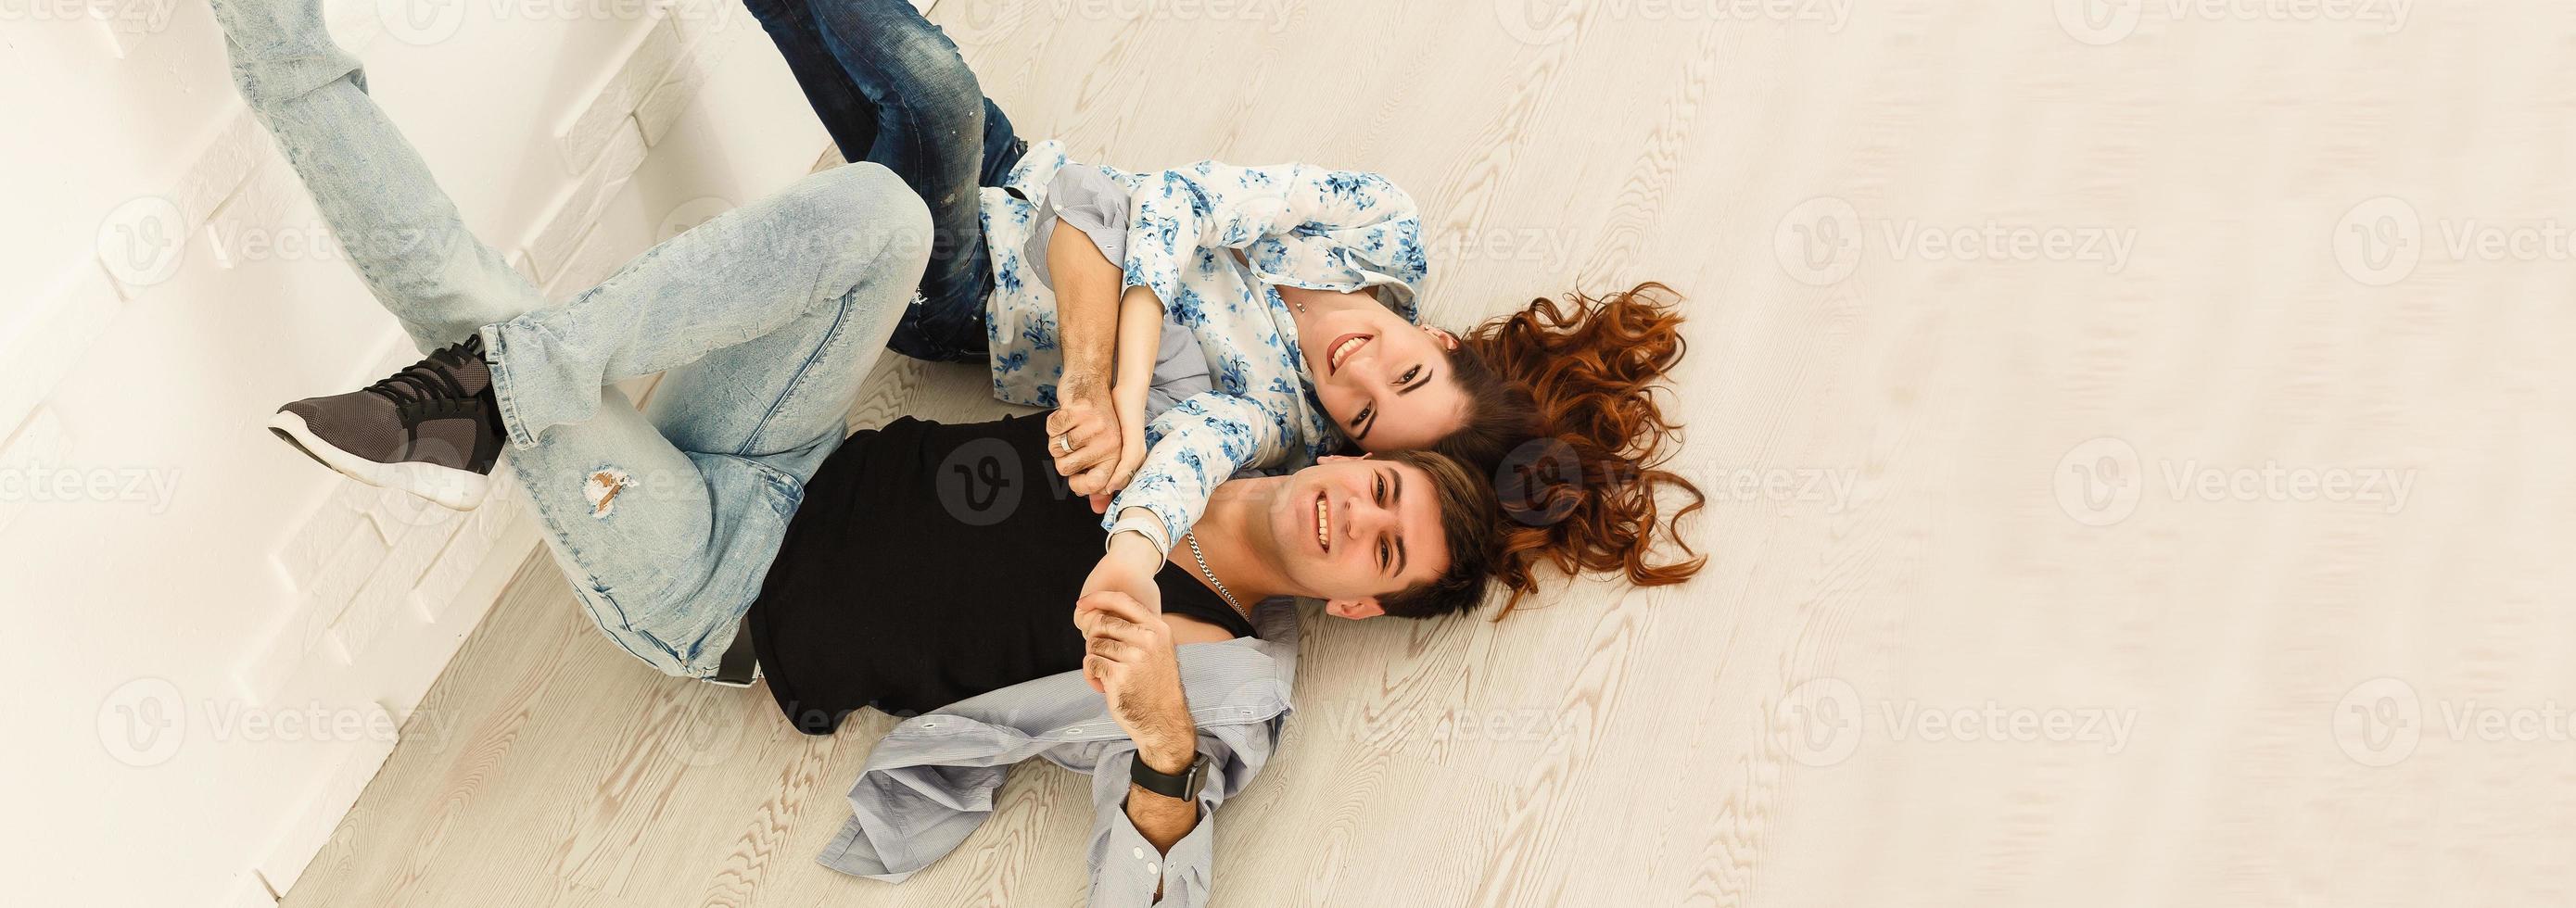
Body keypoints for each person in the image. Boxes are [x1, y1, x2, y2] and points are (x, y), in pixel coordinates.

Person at [209, 2, 1499, 902]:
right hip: (791, 450)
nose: (1355, 514)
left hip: (716, 587)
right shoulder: (1204, 426)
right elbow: (1102, 222)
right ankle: (502, 390)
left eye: (1381, 554)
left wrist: (1159, 746)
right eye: (1379, 486)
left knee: (474, 303)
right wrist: (1099, 375)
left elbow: (1147, 887)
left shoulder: (1221, 674)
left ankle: (284, 61)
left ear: (1351, 600)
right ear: (1343, 457)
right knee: (882, 212)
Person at [745, 0, 1708, 620]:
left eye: (1364, 413)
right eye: (1406, 368)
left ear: (1352, 446)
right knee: (851, 46)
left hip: (968, 295)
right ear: (1442, 339)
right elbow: (1177, 199)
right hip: (1024, 174)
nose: (1357, 371)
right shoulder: (1380, 229)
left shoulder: (1265, 424)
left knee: (928, 92)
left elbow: (1171, 472)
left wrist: (1127, 524)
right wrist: (1123, 378)